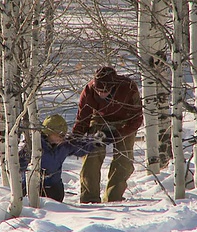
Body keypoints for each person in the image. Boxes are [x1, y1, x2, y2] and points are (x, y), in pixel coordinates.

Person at [72, 66, 143, 203]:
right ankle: (89, 198)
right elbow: (82, 118)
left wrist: (118, 133)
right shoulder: (89, 90)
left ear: (114, 86)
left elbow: (137, 119)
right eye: (98, 90)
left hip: (125, 122)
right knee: (91, 153)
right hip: (100, 119)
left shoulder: (128, 87)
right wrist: (76, 139)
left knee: (124, 159)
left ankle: (113, 197)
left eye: (105, 91)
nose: (101, 94)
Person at [19, 114, 100, 202]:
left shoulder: (64, 146)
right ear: (49, 133)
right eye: (59, 134)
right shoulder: (35, 145)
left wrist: (95, 141)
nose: (62, 137)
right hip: (32, 187)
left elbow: (80, 147)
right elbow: (19, 163)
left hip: (54, 188)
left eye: (63, 134)